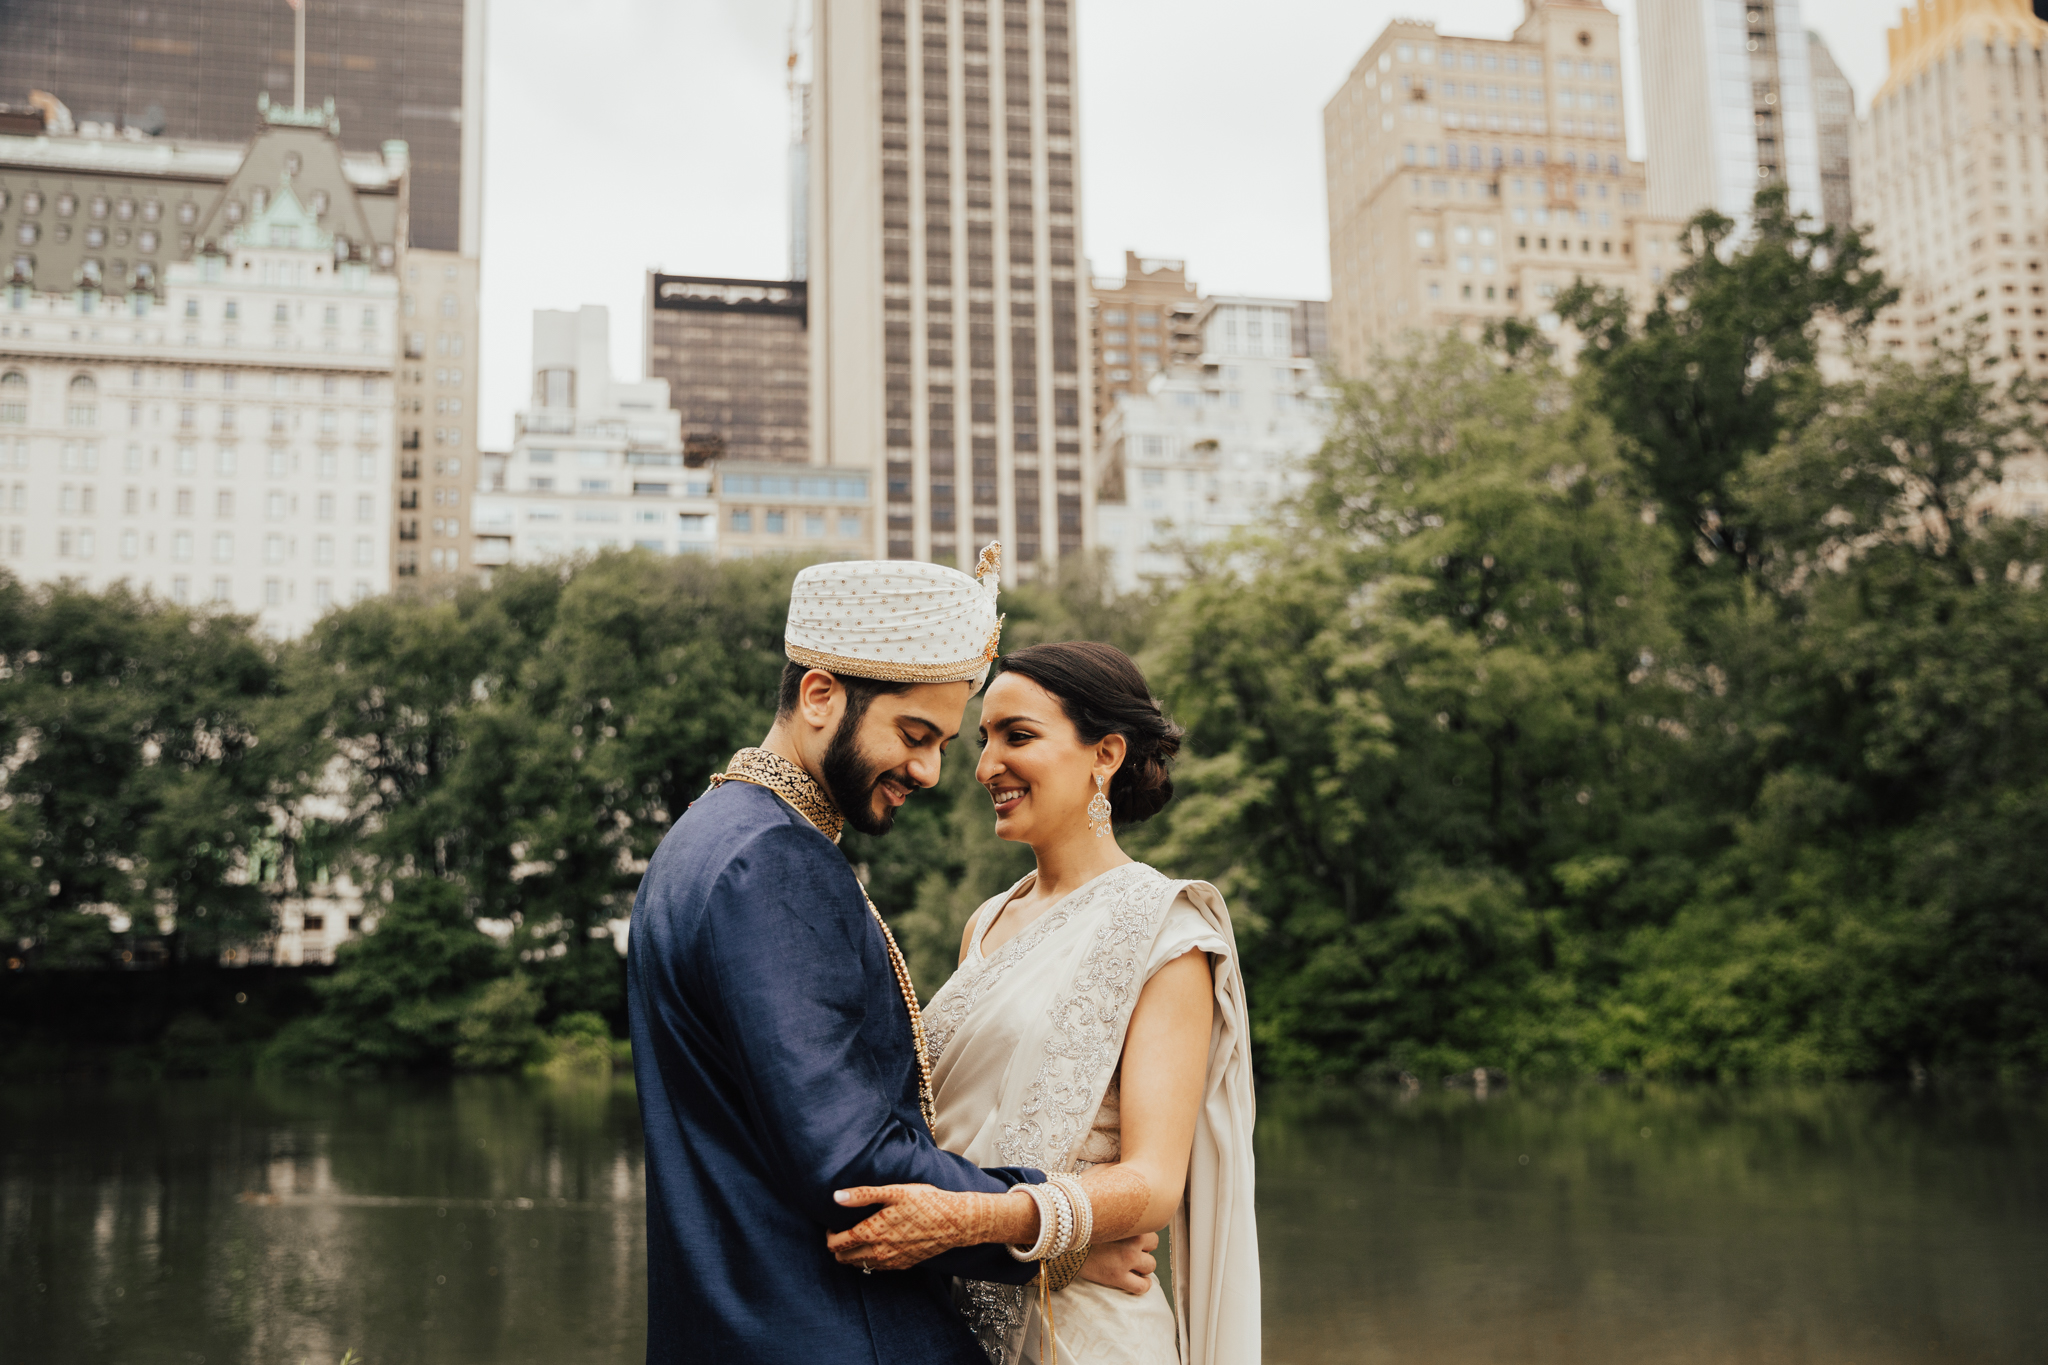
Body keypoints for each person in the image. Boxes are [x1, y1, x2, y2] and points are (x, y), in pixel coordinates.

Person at [825, 641, 1260, 1365]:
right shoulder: (988, 919)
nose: (986, 764)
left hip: (1088, 1337)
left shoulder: (1167, 930)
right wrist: (1040, 1254)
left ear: (1106, 753)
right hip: (967, 1308)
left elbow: (1153, 1184)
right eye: (985, 738)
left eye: (1017, 735)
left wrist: (978, 1222)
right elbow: (951, 1131)